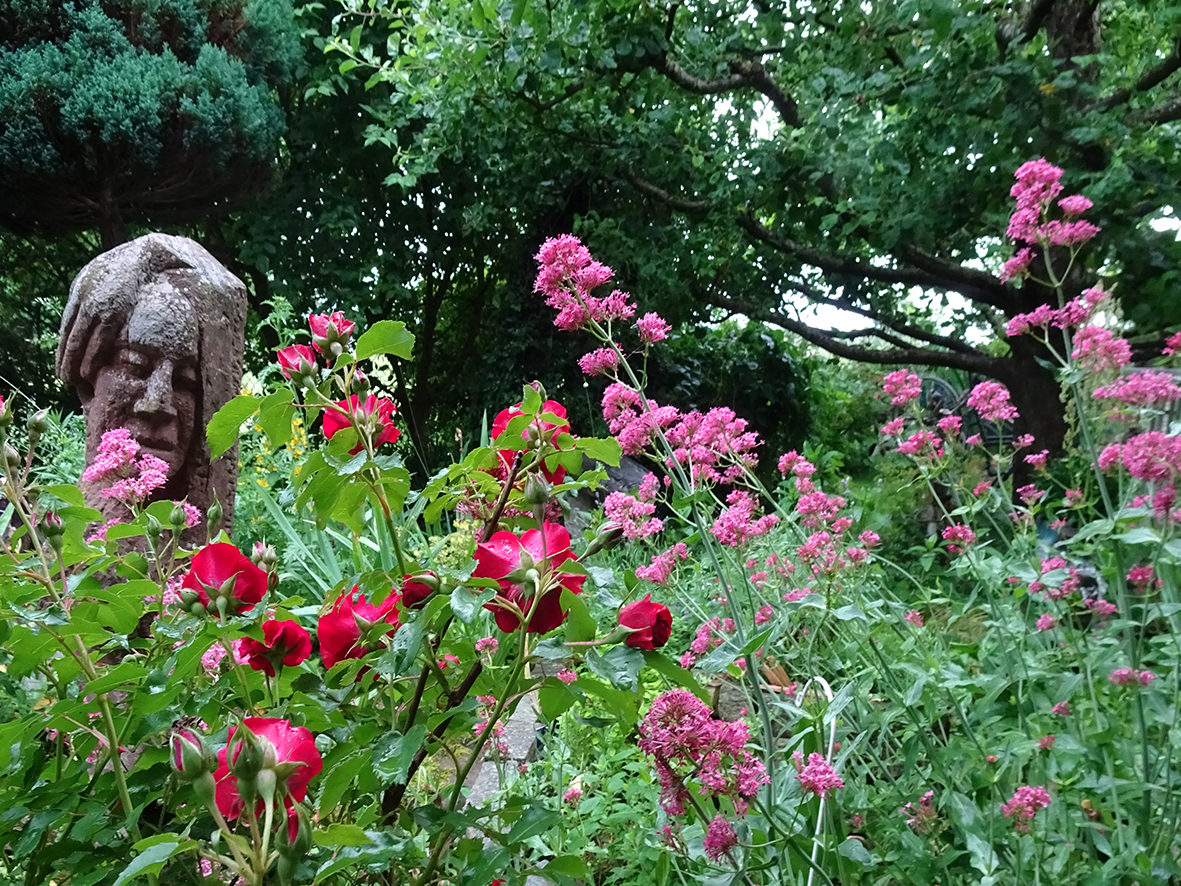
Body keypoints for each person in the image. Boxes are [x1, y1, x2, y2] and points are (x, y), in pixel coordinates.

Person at [56, 234, 247, 536]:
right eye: (135, 367)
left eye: (183, 382)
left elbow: (228, 292)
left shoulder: (192, 555)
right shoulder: (54, 542)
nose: (157, 403)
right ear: (89, 386)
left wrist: (148, 254)